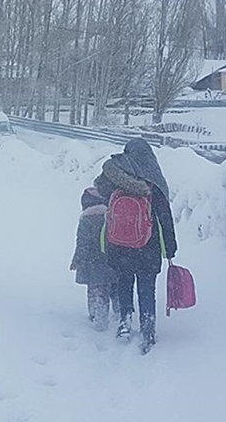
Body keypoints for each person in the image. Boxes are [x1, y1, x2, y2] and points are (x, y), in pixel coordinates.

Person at [93, 138, 178, 354]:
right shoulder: (154, 182)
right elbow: (165, 218)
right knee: (147, 288)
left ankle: (125, 321)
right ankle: (148, 328)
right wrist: (170, 249)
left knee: (124, 283)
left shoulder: (115, 177)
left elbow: (98, 188)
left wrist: (115, 172)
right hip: (148, 247)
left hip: (119, 245)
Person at [70, 187, 119, 331]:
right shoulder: (111, 216)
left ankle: (98, 319)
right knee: (115, 289)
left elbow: (82, 243)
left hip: (93, 263)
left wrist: (76, 259)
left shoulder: (86, 219)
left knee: (96, 291)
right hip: (113, 260)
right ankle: (120, 313)